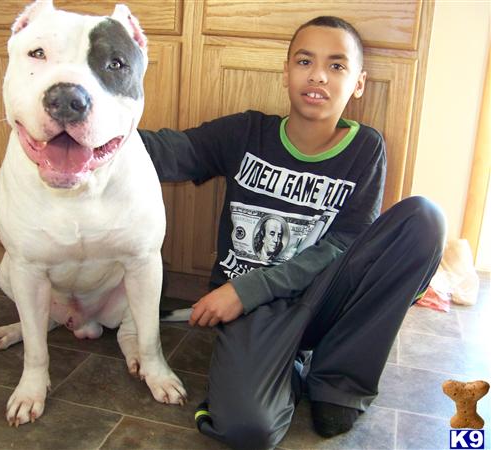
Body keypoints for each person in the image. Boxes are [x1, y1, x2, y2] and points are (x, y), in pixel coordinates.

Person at [139, 16, 445, 450]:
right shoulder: (247, 132)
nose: (318, 74)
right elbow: (171, 152)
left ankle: (338, 383)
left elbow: (344, 243)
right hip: (253, 311)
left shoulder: (365, 148)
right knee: (248, 430)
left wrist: (248, 288)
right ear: (286, 72)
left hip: (319, 298)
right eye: (305, 61)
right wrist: (93, 132)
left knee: (425, 218)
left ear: (358, 83)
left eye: (337, 66)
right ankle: (287, 367)